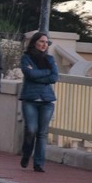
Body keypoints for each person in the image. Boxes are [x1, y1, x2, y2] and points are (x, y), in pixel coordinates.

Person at [19, 32, 59, 172]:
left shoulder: (50, 59)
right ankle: (26, 154)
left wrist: (38, 74)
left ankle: (38, 164)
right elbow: (29, 74)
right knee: (31, 130)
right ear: (35, 42)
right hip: (30, 99)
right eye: (41, 41)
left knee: (42, 133)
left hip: (47, 101)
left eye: (46, 42)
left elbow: (54, 77)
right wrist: (45, 72)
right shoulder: (26, 58)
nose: (44, 44)